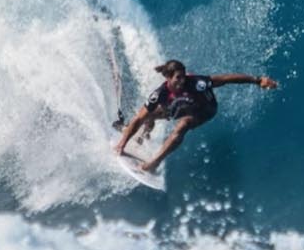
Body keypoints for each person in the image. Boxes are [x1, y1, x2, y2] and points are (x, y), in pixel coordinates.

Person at [114, 59, 278, 172]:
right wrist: (122, 145)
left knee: (183, 125)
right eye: (178, 77)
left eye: (183, 76)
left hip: (205, 109)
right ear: (168, 78)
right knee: (148, 116)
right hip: (180, 105)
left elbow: (226, 78)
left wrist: (257, 80)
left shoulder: (197, 84)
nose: (182, 80)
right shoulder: (160, 93)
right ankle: (142, 136)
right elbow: (139, 117)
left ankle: (154, 163)